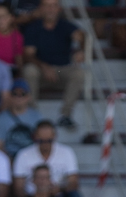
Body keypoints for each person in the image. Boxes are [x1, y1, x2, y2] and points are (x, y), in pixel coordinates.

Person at [22, 0, 84, 129]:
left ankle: (65, 115)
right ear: (41, 8)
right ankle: (33, 114)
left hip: (61, 71)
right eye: (47, 5)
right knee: (29, 70)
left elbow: (82, 36)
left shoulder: (65, 25)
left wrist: (81, 49)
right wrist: (44, 67)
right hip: (41, 71)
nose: (50, 9)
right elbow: (28, 55)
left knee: (78, 73)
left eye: (54, 5)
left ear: (59, 9)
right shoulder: (34, 27)